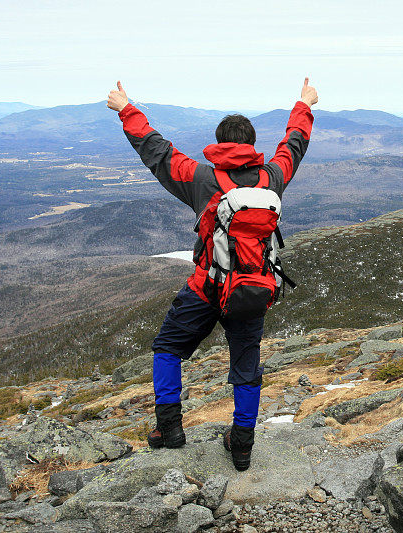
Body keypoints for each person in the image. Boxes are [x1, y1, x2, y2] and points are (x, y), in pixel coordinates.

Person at [106, 78, 317, 470]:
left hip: (205, 289)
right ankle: (241, 445)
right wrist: (304, 104)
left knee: (168, 348)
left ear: (219, 143)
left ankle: (169, 429)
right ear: (252, 144)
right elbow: (294, 145)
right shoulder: (272, 177)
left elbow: (157, 151)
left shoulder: (202, 178)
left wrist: (125, 109)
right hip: (252, 291)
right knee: (246, 369)